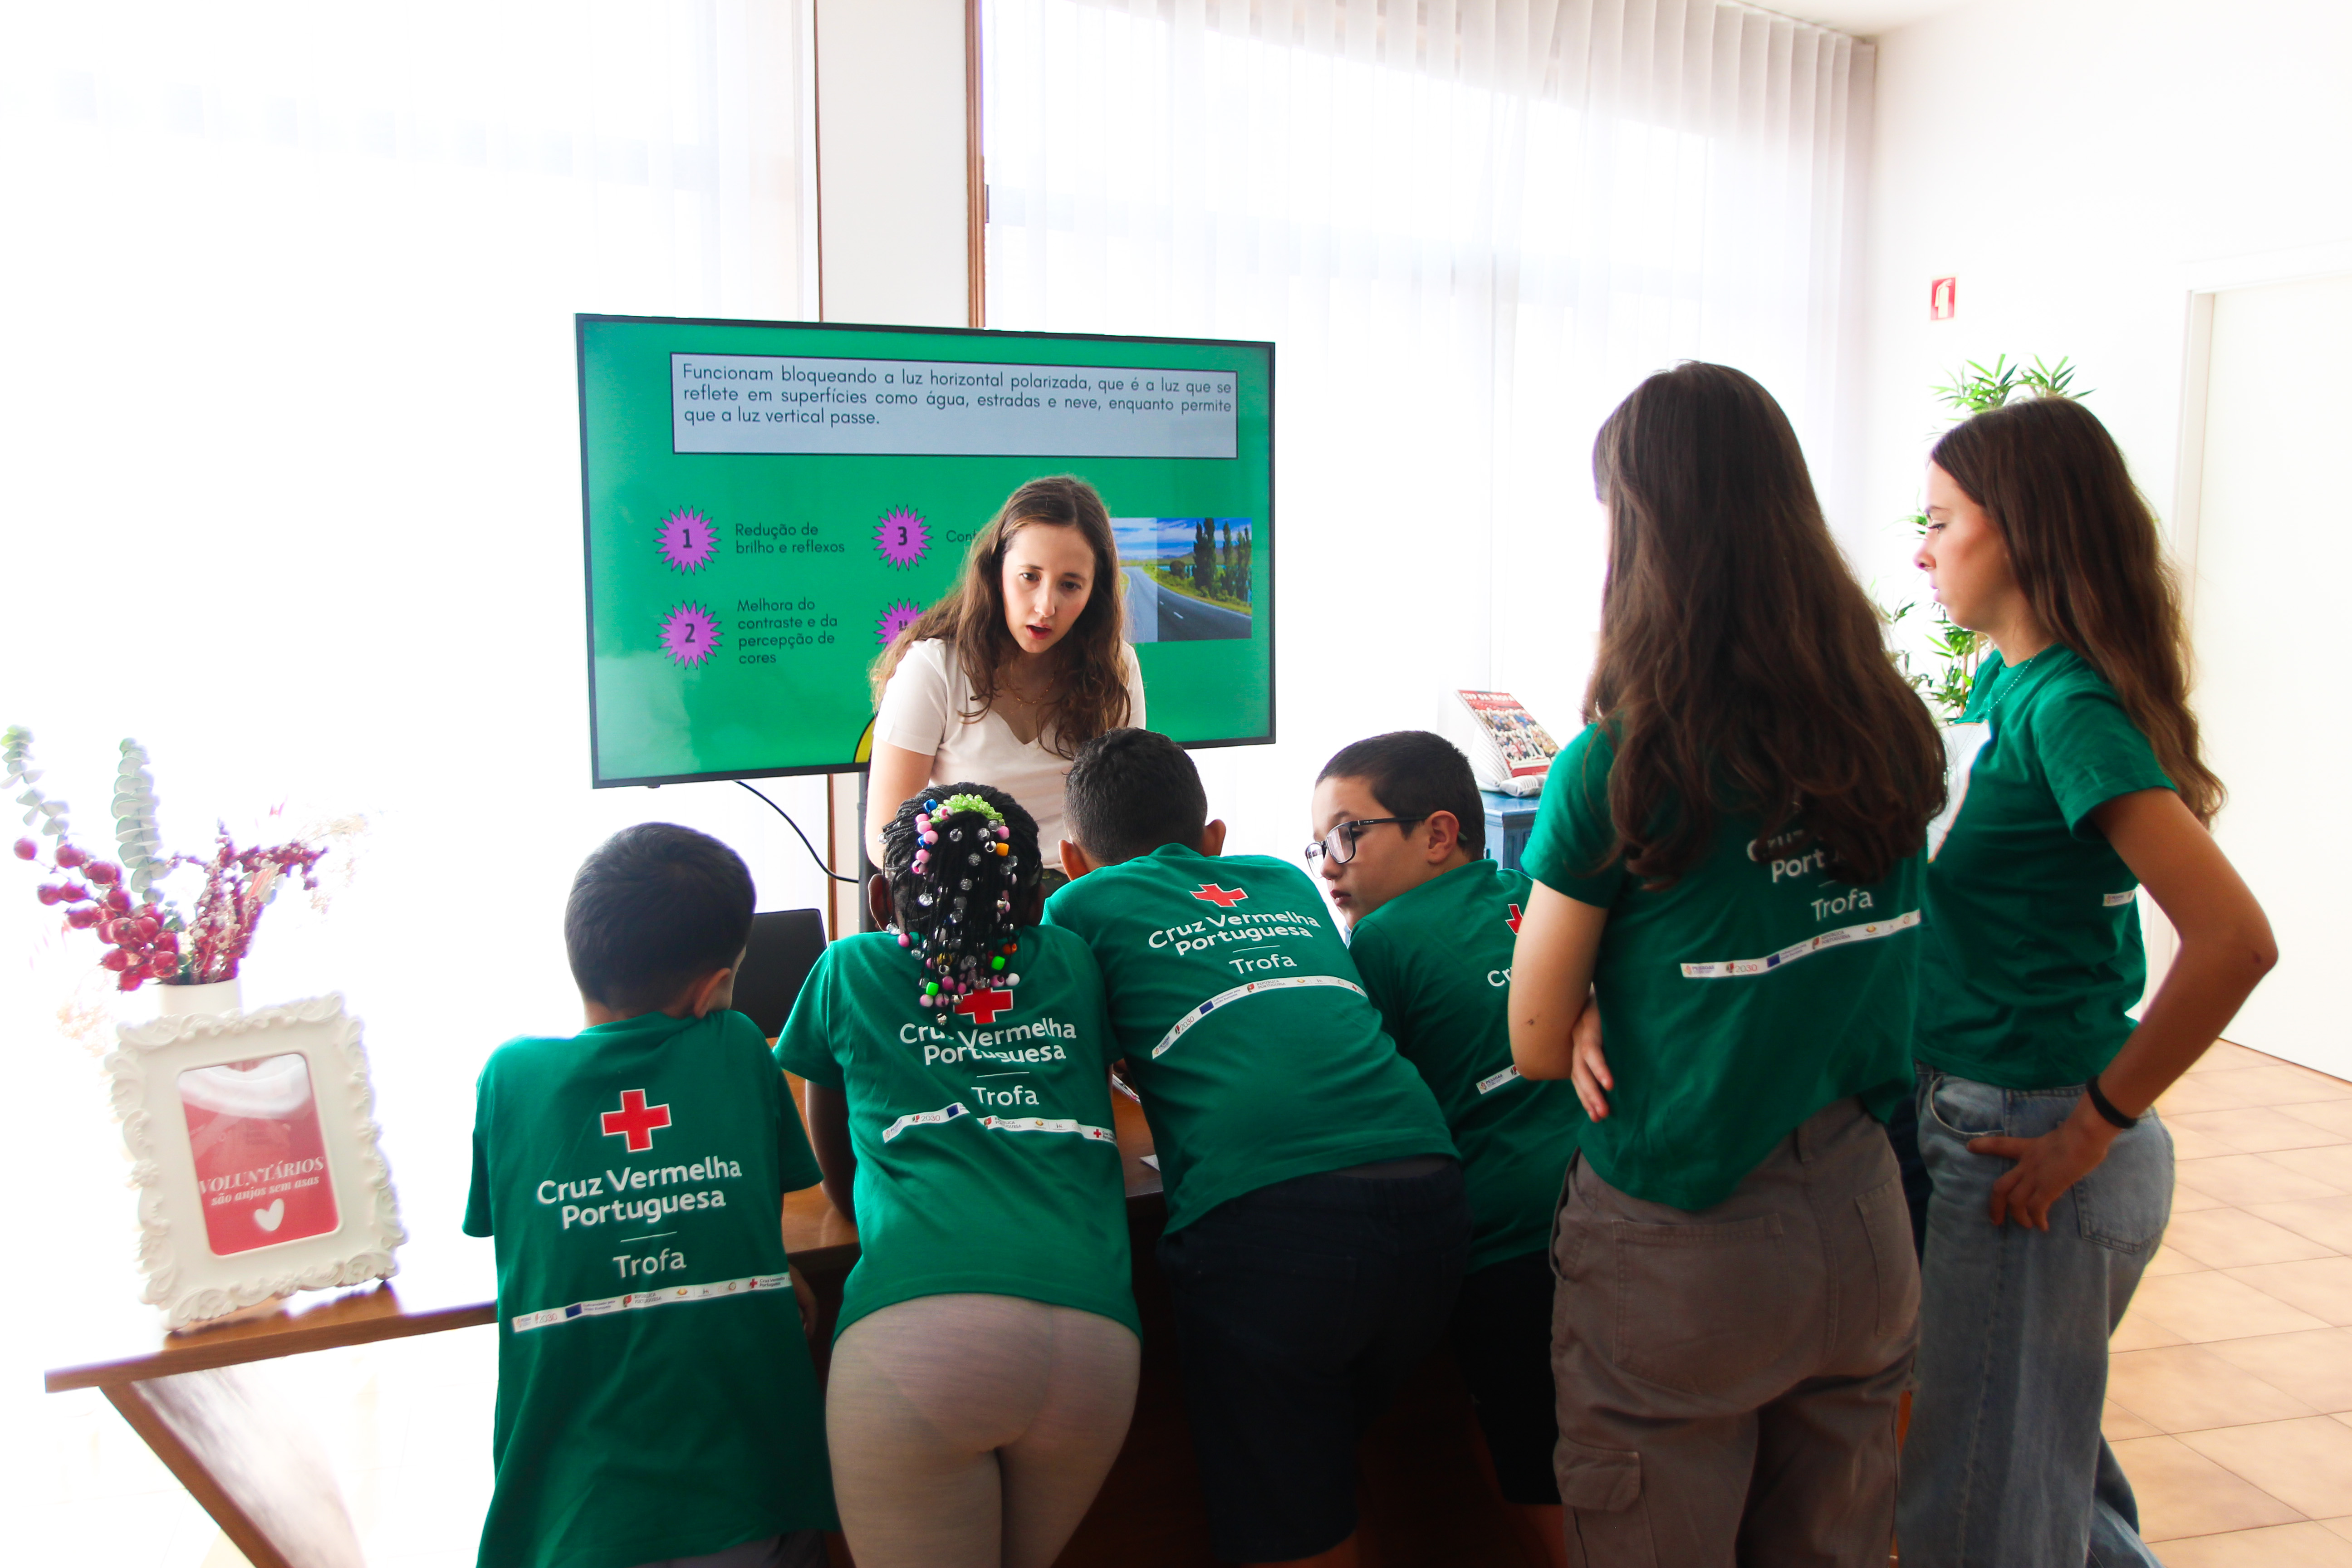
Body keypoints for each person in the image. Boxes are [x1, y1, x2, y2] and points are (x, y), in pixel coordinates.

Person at [1509, 362, 1942, 1568]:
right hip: (1862, 1216)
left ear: (1642, 532)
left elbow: (1535, 1042)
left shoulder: (1621, 766)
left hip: (1683, 1242)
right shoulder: (1887, 732)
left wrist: (1584, 1003)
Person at [1896, 396, 2275, 1568]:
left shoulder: (2067, 708)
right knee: (2044, 1486)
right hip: (1987, 1108)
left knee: (1982, 1519)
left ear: (2020, 530)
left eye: (1942, 522)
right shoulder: (2009, 689)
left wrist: (2095, 1126)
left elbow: (2235, 941)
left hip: (2030, 1137)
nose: (1923, 552)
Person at [1045, 727, 1467, 1568]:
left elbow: (1068, 1064)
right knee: (1345, 1462)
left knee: (1290, 1517)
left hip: (1272, 1227)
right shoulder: (1281, 878)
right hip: (1432, 1197)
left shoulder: (1078, 907)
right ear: (1212, 839)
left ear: (1071, 859)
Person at [775, 782, 1141, 1568]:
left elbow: (834, 1168)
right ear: (1036, 900)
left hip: (919, 1332)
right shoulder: (1073, 962)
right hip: (1094, 1338)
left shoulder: (849, 968)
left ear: (880, 898)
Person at [463, 823, 835, 1568]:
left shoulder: (509, 1077)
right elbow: (755, 1201)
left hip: (566, 1521)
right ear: (713, 989)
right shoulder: (736, 1048)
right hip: (744, 1511)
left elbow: (521, 1233)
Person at [1309, 730, 1582, 1568]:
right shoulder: (1538, 893)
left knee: (1523, 1465)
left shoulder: (1382, 941)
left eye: (1347, 836)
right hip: (1619, 1197)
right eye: (1317, 847)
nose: (1328, 867)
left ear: (1437, 834)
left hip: (1510, 1242)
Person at [867, 475, 1146, 888]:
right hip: (969, 891)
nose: (1046, 606)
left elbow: (1127, 819)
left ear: (1095, 592)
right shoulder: (933, 667)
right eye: (1030, 576)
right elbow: (886, 840)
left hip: (1081, 894)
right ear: (996, 569)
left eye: (1070, 585)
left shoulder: (1116, 665)